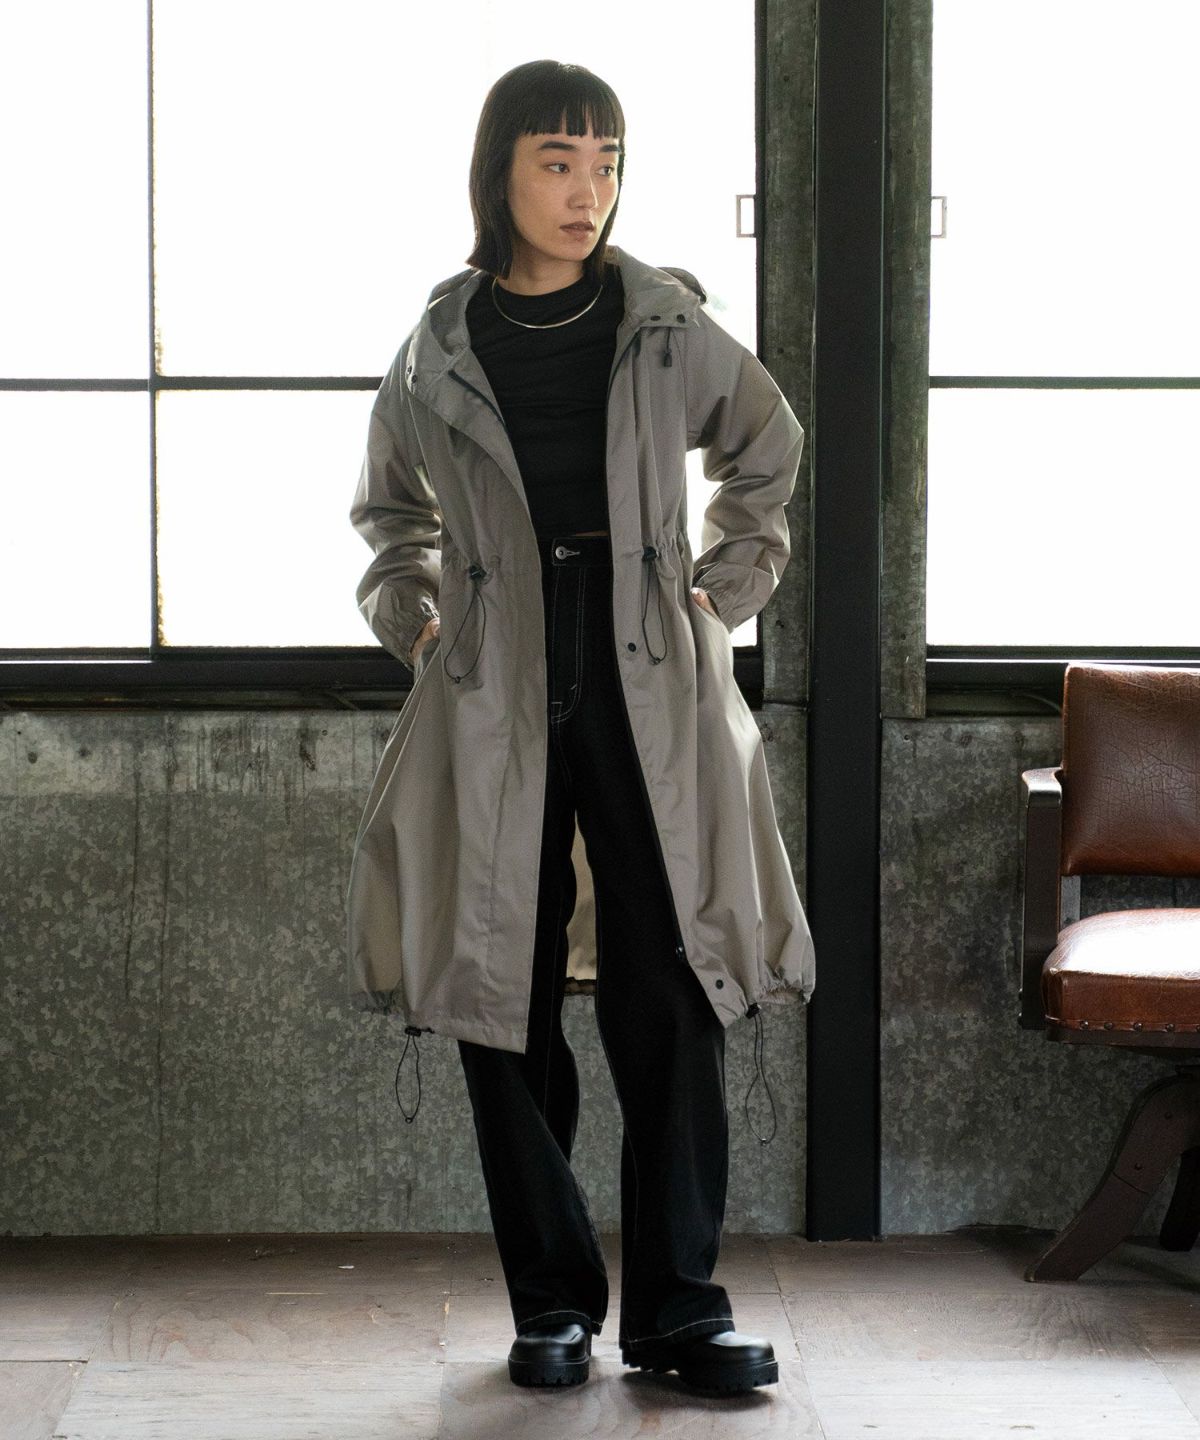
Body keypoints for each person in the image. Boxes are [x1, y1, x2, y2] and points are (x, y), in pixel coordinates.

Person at [346, 58, 815, 1394]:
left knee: (675, 984)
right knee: (501, 993)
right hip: (495, 684)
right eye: (558, 161)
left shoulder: (663, 323)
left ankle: (680, 1312)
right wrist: (422, 626)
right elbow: (390, 520)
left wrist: (719, 596)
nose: (587, 191)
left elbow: (767, 451)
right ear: (497, 172)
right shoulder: (437, 349)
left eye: (606, 162)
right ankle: (549, 1304)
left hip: (645, 675)